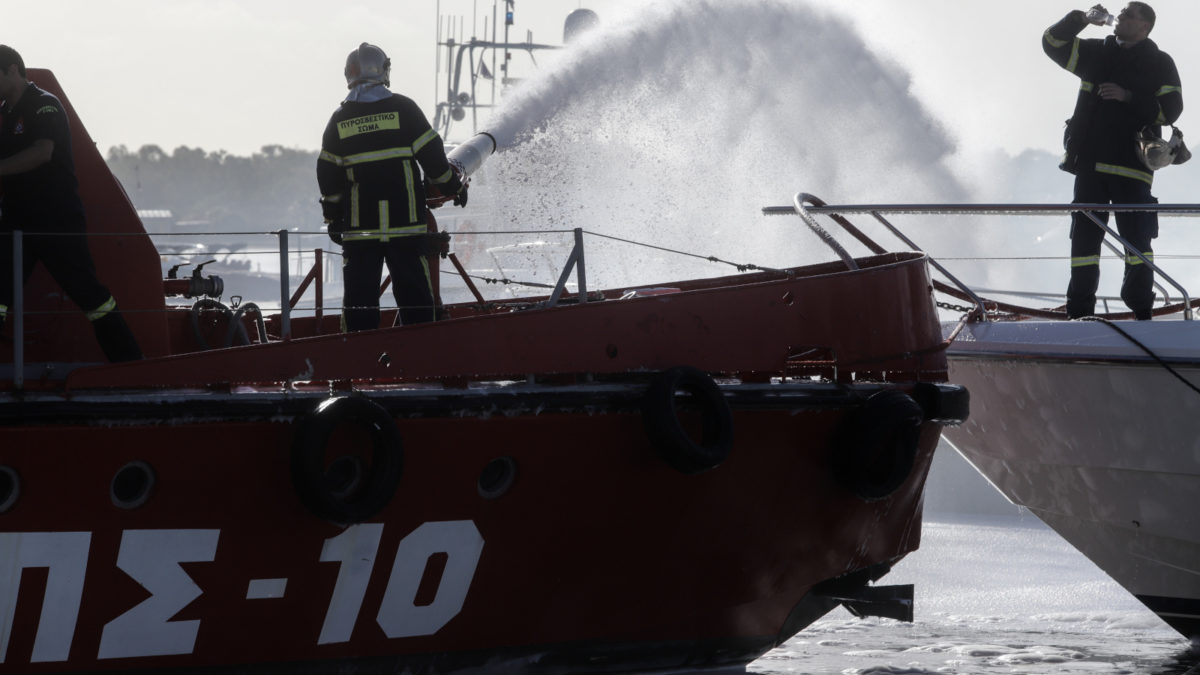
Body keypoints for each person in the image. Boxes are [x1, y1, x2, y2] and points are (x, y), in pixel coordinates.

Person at [0, 45, 142, 361]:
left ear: (11, 70)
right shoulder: (5, 114)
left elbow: (42, 152)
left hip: (55, 221)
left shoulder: (44, 106)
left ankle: (132, 366)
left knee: (90, 295)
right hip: (16, 220)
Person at [1043, 3, 1183, 320]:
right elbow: (1052, 42)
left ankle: (1141, 311)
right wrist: (1079, 19)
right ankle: (1079, 314)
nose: (1120, 17)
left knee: (1137, 243)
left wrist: (1128, 96)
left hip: (1133, 171)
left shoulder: (1159, 62)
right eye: (1119, 13)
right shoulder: (1095, 52)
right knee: (1084, 245)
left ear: (1145, 26)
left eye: (1128, 15)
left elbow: (1171, 110)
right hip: (1090, 166)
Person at [317, 42, 467, 332]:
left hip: (361, 231)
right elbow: (435, 161)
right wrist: (454, 186)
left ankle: (358, 362)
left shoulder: (339, 120)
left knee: (359, 301)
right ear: (384, 70)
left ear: (348, 74)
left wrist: (334, 218)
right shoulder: (403, 109)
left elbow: (328, 176)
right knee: (416, 298)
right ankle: (423, 359)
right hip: (406, 225)